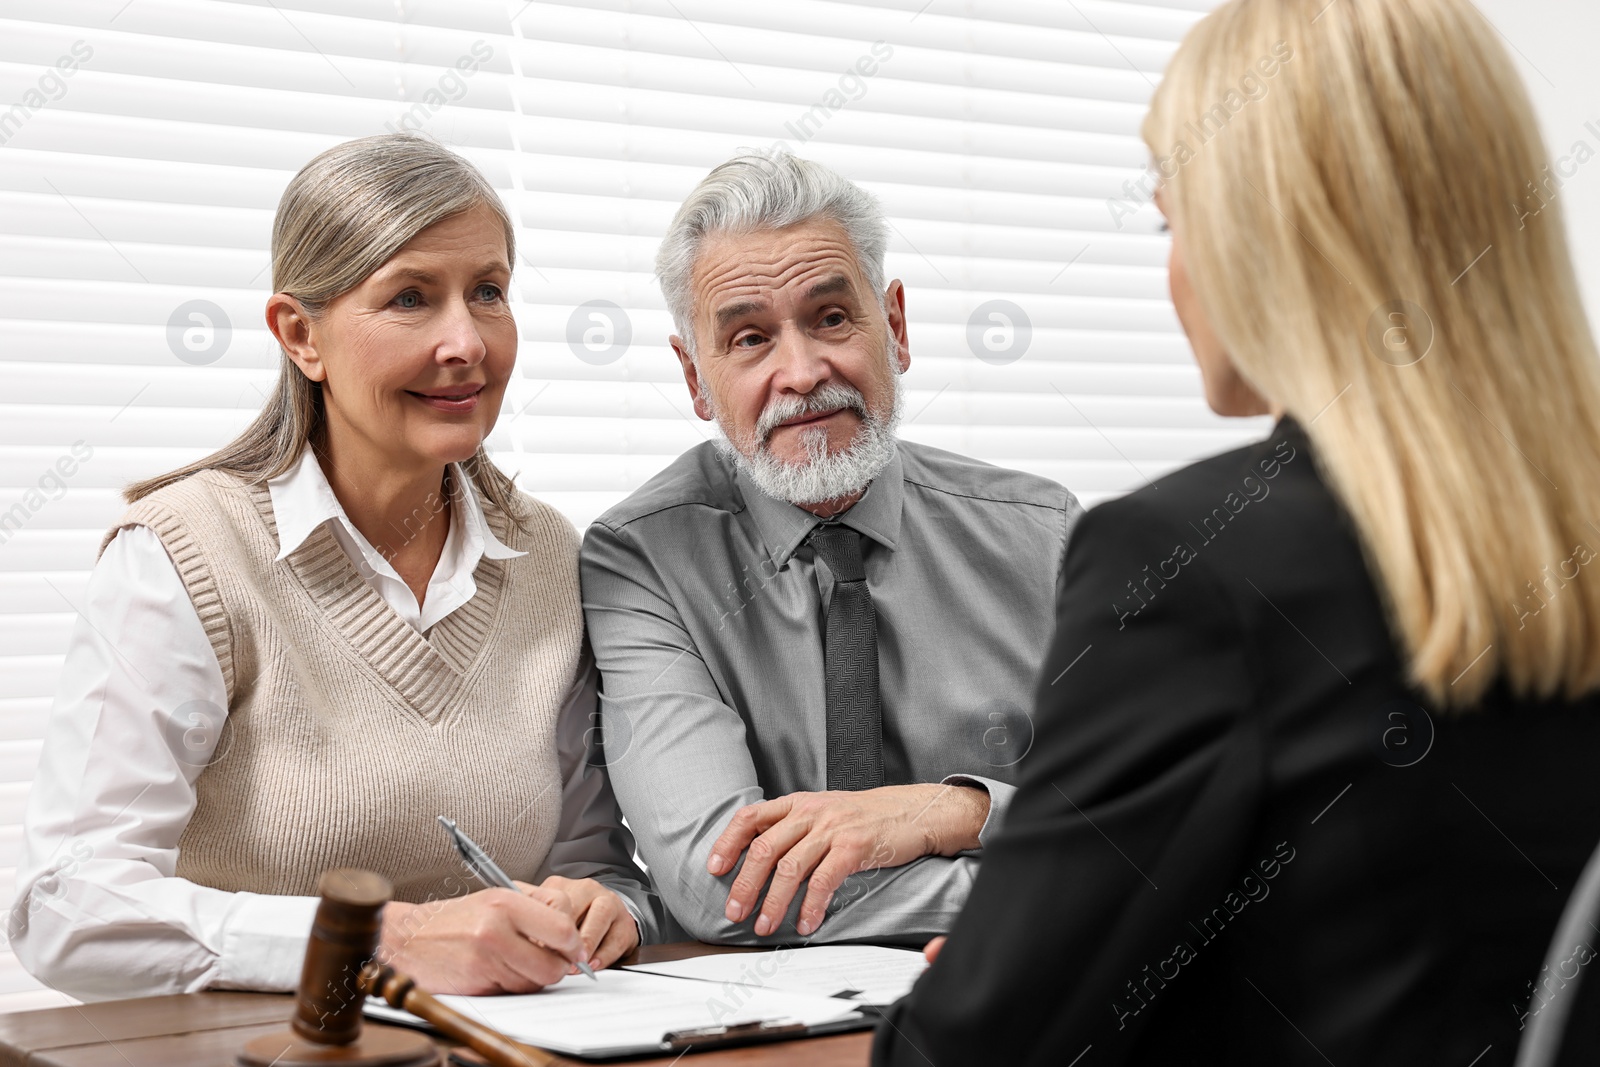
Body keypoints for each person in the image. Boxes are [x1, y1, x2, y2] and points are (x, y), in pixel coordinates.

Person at [873, 0, 1600, 1062]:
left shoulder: (1194, 569)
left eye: (1174, 222)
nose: (1174, 274)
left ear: (1273, 232)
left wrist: (998, 971)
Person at [10, 134, 662, 1001]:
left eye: (490, 292)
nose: (467, 341)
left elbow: (588, 856)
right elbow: (66, 905)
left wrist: (603, 902)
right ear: (299, 334)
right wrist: (379, 941)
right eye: (410, 298)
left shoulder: (546, 554)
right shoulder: (182, 554)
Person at [581, 152, 1081, 945]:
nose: (803, 373)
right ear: (696, 380)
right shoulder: (640, 561)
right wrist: (1045, 886)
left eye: (832, 319)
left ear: (896, 327)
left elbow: (1156, 819)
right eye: (748, 339)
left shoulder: (1047, 532)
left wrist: (954, 808)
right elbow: (724, 890)